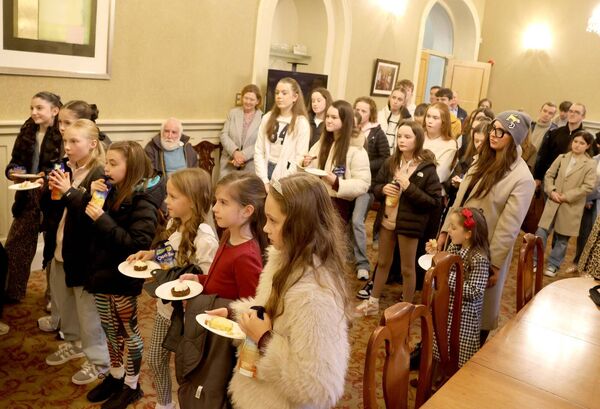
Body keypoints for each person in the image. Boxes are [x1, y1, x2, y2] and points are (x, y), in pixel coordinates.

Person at [218, 173, 350, 409]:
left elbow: (319, 387)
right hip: (260, 393)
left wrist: (265, 340)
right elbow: (271, 313)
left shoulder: (314, 296)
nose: (265, 228)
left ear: (299, 225)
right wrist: (233, 314)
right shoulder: (282, 257)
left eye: (273, 220)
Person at [438, 110, 536, 345]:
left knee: (476, 312)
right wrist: (444, 232)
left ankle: (468, 360)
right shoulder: (482, 158)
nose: (494, 135)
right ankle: (438, 352)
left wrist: (493, 265)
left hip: (484, 253)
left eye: (502, 132)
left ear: (514, 138)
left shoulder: (522, 178)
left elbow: (508, 227)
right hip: (458, 238)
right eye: (494, 128)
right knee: (447, 299)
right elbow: (459, 200)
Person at [127, 168, 219, 409]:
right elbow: (172, 250)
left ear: (192, 200)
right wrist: (152, 254)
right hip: (165, 309)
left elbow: (209, 280)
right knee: (156, 361)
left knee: (186, 369)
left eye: (173, 196)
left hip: (188, 318)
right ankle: (165, 404)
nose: (166, 201)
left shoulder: (206, 239)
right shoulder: (176, 224)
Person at [83, 141, 165, 408]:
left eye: (113, 163)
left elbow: (136, 244)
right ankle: (116, 377)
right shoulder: (112, 189)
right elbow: (96, 230)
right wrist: (93, 199)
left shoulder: (144, 199)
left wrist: (102, 218)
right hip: (102, 272)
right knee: (109, 330)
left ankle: (132, 385)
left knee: (129, 333)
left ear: (132, 168)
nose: (106, 168)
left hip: (123, 276)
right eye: (106, 162)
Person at [39, 119, 110, 385]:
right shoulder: (67, 168)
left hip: (84, 256)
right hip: (60, 248)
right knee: (65, 304)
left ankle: (99, 362)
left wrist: (69, 192)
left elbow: (93, 218)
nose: (66, 147)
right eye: (65, 141)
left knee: (88, 313)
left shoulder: (100, 175)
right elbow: (55, 211)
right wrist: (50, 191)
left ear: (92, 144)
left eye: (74, 142)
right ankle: (74, 342)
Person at [356, 120, 441, 315]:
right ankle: (373, 302)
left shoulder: (427, 168)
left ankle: (406, 309)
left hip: (409, 225)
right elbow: (375, 185)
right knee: (383, 262)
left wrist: (409, 187)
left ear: (417, 139)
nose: (402, 140)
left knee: (407, 268)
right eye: (399, 136)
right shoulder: (392, 162)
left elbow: (434, 201)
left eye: (407, 137)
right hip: (387, 219)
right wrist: (381, 189)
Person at [4, 91, 62, 303]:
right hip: (27, 196)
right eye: (32, 108)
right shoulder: (27, 130)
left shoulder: (63, 132)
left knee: (53, 248)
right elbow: (15, 161)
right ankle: (12, 292)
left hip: (52, 198)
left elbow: (63, 168)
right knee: (15, 245)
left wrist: (45, 178)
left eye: (39, 108)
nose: (33, 112)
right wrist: (14, 171)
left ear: (54, 111)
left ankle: (53, 298)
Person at [427, 207, 490, 367]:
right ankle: (438, 377)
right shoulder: (455, 247)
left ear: (468, 233)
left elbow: (475, 291)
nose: (449, 231)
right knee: (441, 347)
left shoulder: (479, 259)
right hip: (448, 309)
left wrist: (447, 275)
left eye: (454, 228)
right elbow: (443, 264)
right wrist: (435, 255)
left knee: (458, 355)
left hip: (464, 318)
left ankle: (452, 382)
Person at [536, 131, 597, 277]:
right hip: (553, 200)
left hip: (570, 205)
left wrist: (566, 196)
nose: (577, 145)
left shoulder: (589, 164)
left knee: (562, 238)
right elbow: (549, 175)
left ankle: (553, 265)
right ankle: (535, 260)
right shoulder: (562, 157)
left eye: (582, 143)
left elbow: (588, 186)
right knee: (541, 232)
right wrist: (551, 191)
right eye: (575, 141)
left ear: (588, 146)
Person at [302, 100, 370, 223]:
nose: (328, 120)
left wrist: (337, 182)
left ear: (345, 120)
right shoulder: (322, 142)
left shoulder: (356, 148)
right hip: (317, 199)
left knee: (333, 240)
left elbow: (363, 184)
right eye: (327, 116)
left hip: (338, 205)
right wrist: (305, 163)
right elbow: (310, 164)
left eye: (334, 117)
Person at [352, 97, 389, 280]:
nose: (359, 113)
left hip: (368, 185)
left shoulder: (377, 133)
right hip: (347, 184)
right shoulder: (349, 130)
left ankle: (362, 263)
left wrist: (364, 164)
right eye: (357, 109)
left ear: (371, 113)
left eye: (364, 111)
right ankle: (347, 256)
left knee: (357, 221)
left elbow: (385, 158)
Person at [254, 77, 310, 188]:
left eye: (284, 93)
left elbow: (299, 158)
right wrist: (264, 180)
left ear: (295, 97)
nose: (279, 96)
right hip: (264, 170)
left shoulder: (301, 123)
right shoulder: (267, 117)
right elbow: (259, 150)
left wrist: (279, 184)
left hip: (286, 175)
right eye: (277, 93)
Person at [534, 103, 586, 186]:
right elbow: (543, 155)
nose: (572, 114)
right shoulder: (554, 133)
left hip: (572, 182)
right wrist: (538, 177)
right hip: (549, 178)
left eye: (577, 112)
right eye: (571, 111)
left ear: (583, 116)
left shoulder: (586, 137)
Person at [219, 84, 263, 177]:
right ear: (242, 98)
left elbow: (261, 142)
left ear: (257, 101)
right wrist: (235, 152)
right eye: (246, 98)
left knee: (245, 190)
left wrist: (243, 156)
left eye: (252, 99)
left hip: (250, 164)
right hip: (229, 161)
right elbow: (224, 135)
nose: (248, 102)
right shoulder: (233, 113)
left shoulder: (263, 118)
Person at [377, 86, 412, 154]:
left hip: (395, 156)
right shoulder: (380, 115)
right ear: (389, 98)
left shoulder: (406, 120)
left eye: (399, 99)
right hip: (380, 154)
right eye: (393, 97)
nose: (395, 101)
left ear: (403, 103)